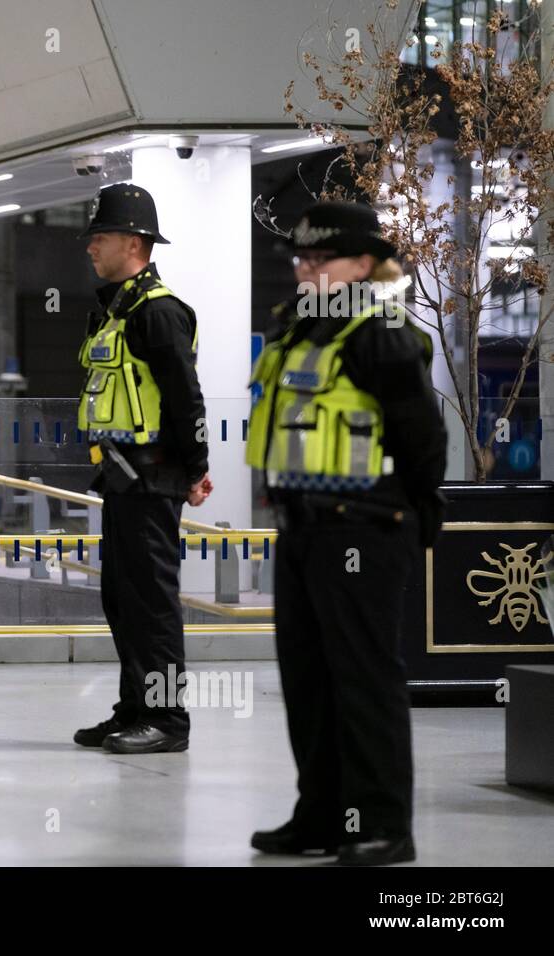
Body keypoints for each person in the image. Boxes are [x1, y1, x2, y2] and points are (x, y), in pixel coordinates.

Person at [245, 200, 446, 866]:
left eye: (318, 259)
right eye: (300, 259)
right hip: (302, 526)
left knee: (363, 679)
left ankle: (385, 826)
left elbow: (422, 435)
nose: (304, 270)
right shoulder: (298, 329)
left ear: (363, 264)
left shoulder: (377, 333)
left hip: (363, 526)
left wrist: (420, 507)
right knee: (308, 680)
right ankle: (323, 818)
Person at [70, 183, 213, 754]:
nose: (90, 248)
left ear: (134, 242)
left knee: (152, 603)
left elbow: (187, 398)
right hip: (123, 477)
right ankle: (134, 709)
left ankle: (167, 720)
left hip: (153, 478)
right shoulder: (118, 310)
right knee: (122, 598)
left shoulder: (158, 313)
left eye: (98, 237)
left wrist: (196, 468)